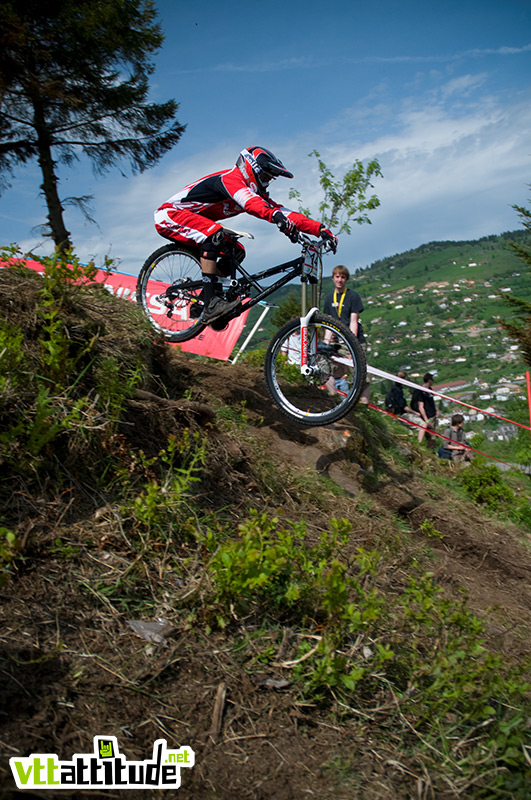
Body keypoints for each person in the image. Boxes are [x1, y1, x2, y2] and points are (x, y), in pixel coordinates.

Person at [154, 146, 337, 324]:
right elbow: (251, 203)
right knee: (214, 234)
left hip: (194, 221)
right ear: (250, 169)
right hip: (170, 215)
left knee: (236, 250)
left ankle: (203, 302)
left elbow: (282, 211)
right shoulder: (230, 179)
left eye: (269, 179)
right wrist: (275, 216)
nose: (266, 182)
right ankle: (211, 304)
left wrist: (320, 229)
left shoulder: (251, 190)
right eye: (265, 177)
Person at [323, 265, 370, 403]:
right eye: (337, 277)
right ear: (333, 278)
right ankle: (335, 399)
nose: (340, 280)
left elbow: (353, 321)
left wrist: (352, 346)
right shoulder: (329, 298)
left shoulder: (352, 296)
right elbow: (328, 323)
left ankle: (364, 405)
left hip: (354, 340)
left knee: (361, 376)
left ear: (346, 279)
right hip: (336, 342)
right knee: (325, 369)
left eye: (343, 277)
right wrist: (326, 343)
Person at [410, 372, 439, 446]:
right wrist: (426, 419)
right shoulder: (420, 391)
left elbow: (431, 401)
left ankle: (432, 449)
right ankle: (430, 450)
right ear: (429, 380)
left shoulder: (429, 389)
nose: (433, 381)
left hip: (433, 415)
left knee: (435, 435)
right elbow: (421, 406)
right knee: (430, 436)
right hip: (428, 416)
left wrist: (436, 410)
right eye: (432, 379)